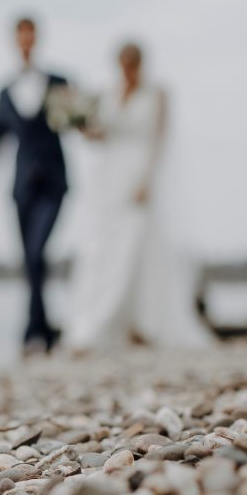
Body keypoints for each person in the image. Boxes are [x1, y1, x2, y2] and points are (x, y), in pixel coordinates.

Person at [68, 42, 213, 351]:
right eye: (123, 65)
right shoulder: (109, 94)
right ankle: (101, 323)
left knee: (140, 248)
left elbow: (161, 139)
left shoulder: (157, 93)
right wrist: (79, 124)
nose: (127, 71)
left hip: (139, 175)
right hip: (108, 179)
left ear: (141, 64)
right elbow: (101, 135)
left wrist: (148, 179)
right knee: (104, 249)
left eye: (132, 64)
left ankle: (145, 323)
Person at [0, 16, 69, 356]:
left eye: (31, 35)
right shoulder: (3, 92)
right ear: (15, 40)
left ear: (37, 38)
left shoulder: (59, 82)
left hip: (55, 183)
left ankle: (33, 331)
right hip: (21, 187)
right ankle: (41, 330)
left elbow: (76, 124)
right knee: (30, 260)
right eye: (21, 36)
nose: (26, 41)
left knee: (36, 252)